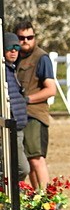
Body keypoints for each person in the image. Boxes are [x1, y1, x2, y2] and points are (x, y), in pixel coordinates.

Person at [13, 21, 55, 190]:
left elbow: (50, 89)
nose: (26, 41)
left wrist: (27, 100)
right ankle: (37, 195)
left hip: (34, 115)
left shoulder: (41, 58)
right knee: (28, 160)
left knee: (36, 159)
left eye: (29, 37)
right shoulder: (14, 57)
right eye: (21, 38)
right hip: (19, 115)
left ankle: (46, 198)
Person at [3, 32, 29, 186]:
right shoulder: (4, 70)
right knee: (22, 168)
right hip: (9, 128)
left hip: (17, 127)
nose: (13, 51)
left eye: (16, 47)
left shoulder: (11, 69)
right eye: (9, 48)